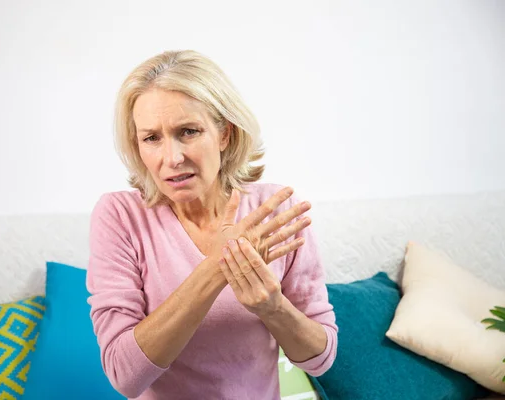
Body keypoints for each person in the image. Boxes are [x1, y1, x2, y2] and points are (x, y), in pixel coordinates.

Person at [86, 50, 337, 399]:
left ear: (224, 134)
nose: (172, 158)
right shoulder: (120, 216)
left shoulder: (272, 211)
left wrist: (272, 307)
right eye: (151, 138)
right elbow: (124, 375)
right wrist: (217, 268)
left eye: (188, 131)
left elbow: (320, 359)